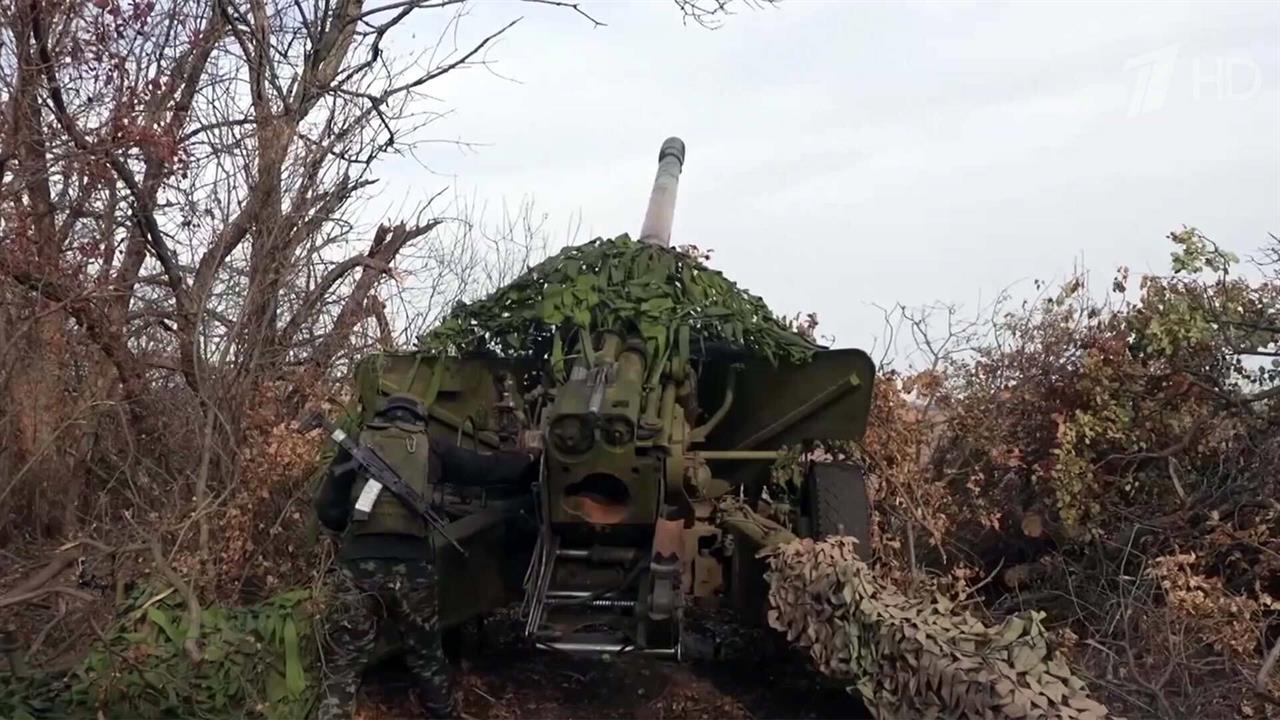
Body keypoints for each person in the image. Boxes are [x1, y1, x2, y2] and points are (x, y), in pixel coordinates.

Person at [312, 393, 538, 720]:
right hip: (413, 568)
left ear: (381, 417)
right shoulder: (431, 447)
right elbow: (486, 470)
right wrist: (530, 460)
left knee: (345, 662)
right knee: (427, 656)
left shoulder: (355, 448)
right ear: (418, 419)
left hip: (359, 568)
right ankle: (443, 713)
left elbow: (328, 511)